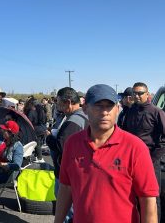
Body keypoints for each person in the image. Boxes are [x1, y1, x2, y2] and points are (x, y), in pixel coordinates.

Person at [55, 84, 159, 223]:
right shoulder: (72, 144)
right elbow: (66, 188)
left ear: (117, 109)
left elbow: (148, 200)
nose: (105, 112)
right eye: (98, 105)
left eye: (109, 106)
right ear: (85, 108)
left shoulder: (135, 147)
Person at [124, 82, 165, 222]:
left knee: (152, 197)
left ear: (147, 94)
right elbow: (124, 134)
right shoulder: (130, 111)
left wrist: (153, 157)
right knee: (133, 194)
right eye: (134, 93)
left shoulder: (156, 112)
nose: (137, 96)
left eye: (140, 93)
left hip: (151, 160)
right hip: (130, 160)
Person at [46, 87, 88, 196]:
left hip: (69, 174)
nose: (59, 108)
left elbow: (62, 146)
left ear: (68, 102)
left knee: (67, 209)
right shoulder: (83, 115)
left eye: (59, 104)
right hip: (78, 171)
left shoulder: (74, 121)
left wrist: (49, 137)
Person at [24, 97, 46, 163]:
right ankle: (38, 157)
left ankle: (39, 158)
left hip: (36, 129)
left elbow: (29, 121)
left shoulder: (32, 111)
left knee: (36, 144)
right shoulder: (41, 110)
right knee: (38, 143)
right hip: (42, 128)